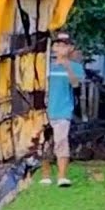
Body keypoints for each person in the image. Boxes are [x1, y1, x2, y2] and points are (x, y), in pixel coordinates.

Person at [40, 33, 82, 187]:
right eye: (57, 44)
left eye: (64, 45)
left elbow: (76, 84)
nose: (60, 48)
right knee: (44, 143)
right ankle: (45, 175)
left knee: (61, 142)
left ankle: (62, 176)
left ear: (70, 48)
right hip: (44, 110)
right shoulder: (45, 66)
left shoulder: (75, 67)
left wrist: (66, 64)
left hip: (63, 110)